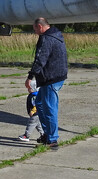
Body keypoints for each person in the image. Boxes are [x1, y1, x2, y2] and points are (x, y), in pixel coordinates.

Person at [25, 17, 68, 150]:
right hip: (56, 76)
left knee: (49, 109)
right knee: (39, 104)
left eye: (35, 29)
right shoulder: (56, 35)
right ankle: (47, 135)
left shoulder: (46, 39)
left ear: (40, 26)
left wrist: (30, 76)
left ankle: (52, 140)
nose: (35, 32)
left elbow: (40, 59)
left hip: (51, 78)